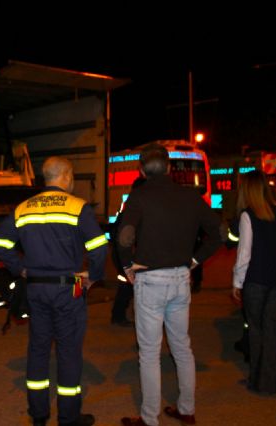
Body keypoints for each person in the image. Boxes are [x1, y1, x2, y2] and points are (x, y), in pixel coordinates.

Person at [0, 156, 108, 426]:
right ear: (66, 176)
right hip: (72, 284)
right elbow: (99, 247)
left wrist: (19, 268)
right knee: (69, 351)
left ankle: (39, 415)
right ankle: (68, 417)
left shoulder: (23, 208)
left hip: (35, 284)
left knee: (38, 349)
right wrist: (93, 276)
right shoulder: (78, 207)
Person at [116, 143, 223, 426]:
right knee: (182, 347)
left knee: (149, 353)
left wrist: (127, 267)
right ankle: (186, 410)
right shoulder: (190, 197)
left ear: (141, 170)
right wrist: (194, 261)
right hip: (180, 280)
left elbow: (124, 236)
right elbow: (218, 233)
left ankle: (150, 419)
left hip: (151, 281)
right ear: (170, 167)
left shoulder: (139, 197)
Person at [231, 170, 276, 395]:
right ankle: (270, 383)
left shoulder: (248, 216)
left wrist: (237, 283)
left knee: (257, 330)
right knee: (272, 329)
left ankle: (255, 381)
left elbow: (244, 254)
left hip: (256, 281)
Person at [110, 177, 146, 327]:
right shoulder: (133, 208)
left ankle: (119, 315)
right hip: (124, 255)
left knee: (128, 286)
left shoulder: (130, 206)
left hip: (123, 254)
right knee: (126, 286)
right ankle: (118, 316)